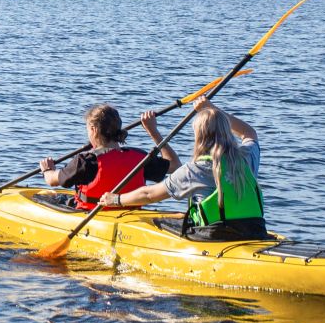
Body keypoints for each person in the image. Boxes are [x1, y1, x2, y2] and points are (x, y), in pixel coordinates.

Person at [97, 98, 268, 241]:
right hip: (255, 230)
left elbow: (149, 195)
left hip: (214, 236)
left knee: (158, 223)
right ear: (227, 131)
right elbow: (249, 133)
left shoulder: (196, 169)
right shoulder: (246, 157)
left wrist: (116, 199)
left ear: (199, 136)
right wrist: (213, 108)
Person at [40, 103, 174, 210]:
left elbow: (52, 180)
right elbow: (174, 166)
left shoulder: (86, 161)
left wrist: (47, 169)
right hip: (128, 214)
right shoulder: (140, 158)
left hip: (91, 212)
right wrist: (153, 131)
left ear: (94, 130)